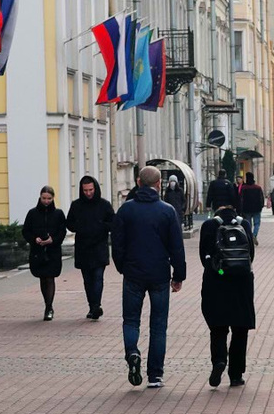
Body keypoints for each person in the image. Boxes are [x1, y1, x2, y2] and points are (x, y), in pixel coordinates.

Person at [111, 165, 186, 389]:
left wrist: (122, 266)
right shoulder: (167, 211)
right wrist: (178, 275)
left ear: (138, 182)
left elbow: (117, 243)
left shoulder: (126, 210)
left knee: (131, 320)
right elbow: (177, 247)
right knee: (158, 325)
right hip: (159, 274)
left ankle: (132, 352)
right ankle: (155, 375)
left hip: (133, 273)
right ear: (158, 184)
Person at [197, 196, 258, 389]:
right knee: (240, 329)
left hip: (217, 282)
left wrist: (221, 271)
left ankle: (219, 361)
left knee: (218, 327)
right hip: (241, 282)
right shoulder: (244, 224)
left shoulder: (208, 226)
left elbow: (203, 257)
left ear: (217, 209)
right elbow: (250, 255)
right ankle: (236, 374)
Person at [64, 175, 113, 321]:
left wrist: (101, 226)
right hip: (83, 247)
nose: (88, 193)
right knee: (87, 279)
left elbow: (113, 222)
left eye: (90, 190)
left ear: (95, 188)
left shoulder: (104, 205)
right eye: (85, 190)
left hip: (99, 246)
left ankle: (96, 306)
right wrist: (80, 226)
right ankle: (92, 306)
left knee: (98, 277)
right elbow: (69, 223)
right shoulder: (76, 205)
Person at [20, 186, 69, 321]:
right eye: (44, 198)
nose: (46, 201)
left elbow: (62, 231)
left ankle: (49, 307)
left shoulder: (58, 214)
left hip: (53, 251)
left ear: (53, 198)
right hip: (38, 251)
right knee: (42, 277)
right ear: (40, 197)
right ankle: (47, 304)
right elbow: (26, 231)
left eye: (49, 198)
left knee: (50, 277)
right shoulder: (32, 213)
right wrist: (34, 239)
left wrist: (53, 240)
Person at [238, 172, 266, 242]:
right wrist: (261, 206)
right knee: (257, 223)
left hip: (246, 209)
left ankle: (250, 236)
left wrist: (241, 209)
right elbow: (261, 198)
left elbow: (241, 199)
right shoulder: (258, 188)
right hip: (256, 208)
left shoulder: (244, 188)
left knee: (248, 223)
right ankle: (254, 235)